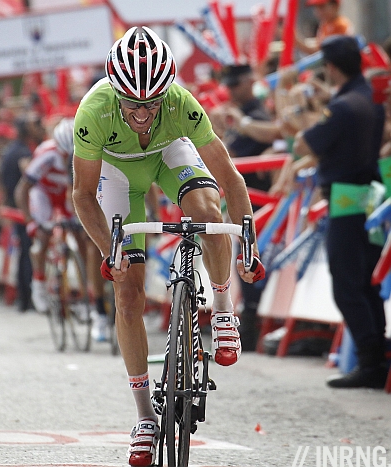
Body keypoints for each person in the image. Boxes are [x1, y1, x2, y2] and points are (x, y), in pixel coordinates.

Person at [71, 26, 265, 466]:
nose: (142, 113)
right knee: (128, 293)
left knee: (209, 215)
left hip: (169, 153)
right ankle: (143, 417)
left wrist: (248, 243)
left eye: (152, 102)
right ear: (115, 94)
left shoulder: (180, 105)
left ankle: (221, 307)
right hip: (118, 174)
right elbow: (82, 196)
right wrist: (109, 251)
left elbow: (231, 179)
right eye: (133, 104)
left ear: (167, 92)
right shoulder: (94, 112)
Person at [275, 35, 388, 389]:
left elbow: (305, 141)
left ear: (331, 67)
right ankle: (377, 355)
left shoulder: (341, 108)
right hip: (368, 195)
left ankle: (371, 361)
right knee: (365, 279)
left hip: (344, 198)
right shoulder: (369, 97)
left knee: (347, 284)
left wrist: (298, 110)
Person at [14, 118, 107, 336]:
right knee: (44, 234)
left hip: (67, 193)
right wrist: (31, 221)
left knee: (83, 236)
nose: (67, 159)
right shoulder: (47, 154)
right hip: (43, 193)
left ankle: (87, 295)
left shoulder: (85, 152)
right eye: (65, 155)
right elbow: (22, 189)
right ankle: (38, 281)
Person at [210, 64, 280, 351]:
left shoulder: (255, 114)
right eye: (228, 84)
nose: (231, 90)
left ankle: (251, 327)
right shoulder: (244, 114)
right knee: (245, 263)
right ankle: (249, 323)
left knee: (251, 262)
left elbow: (230, 153)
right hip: (249, 204)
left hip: (258, 206)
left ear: (250, 83)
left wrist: (228, 127)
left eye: (236, 84)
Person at [0, 115, 46, 312]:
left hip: (14, 205)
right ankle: (28, 298)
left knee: (23, 253)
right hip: (25, 208)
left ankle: (23, 299)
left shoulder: (8, 152)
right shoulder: (23, 153)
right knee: (29, 252)